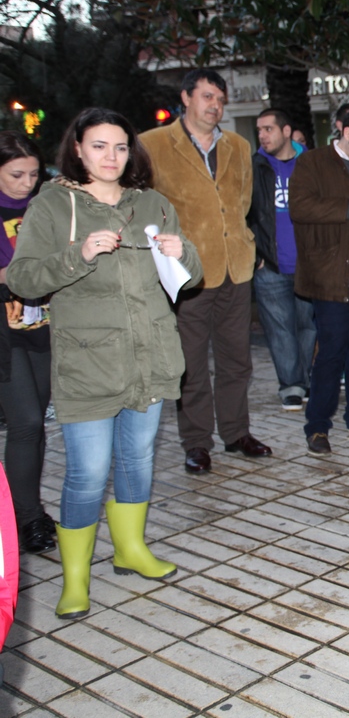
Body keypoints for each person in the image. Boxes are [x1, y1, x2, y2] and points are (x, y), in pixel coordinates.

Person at [8, 108, 202, 619]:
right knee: (88, 473)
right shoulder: (54, 206)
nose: (111, 157)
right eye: (99, 146)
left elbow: (188, 274)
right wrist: (79, 254)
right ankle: (76, 578)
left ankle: (130, 549)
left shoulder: (152, 203)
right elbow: (23, 279)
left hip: (152, 356)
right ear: (77, 148)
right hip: (88, 365)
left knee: (138, 460)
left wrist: (186, 253)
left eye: (119, 146)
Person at [140, 69, 271, 474]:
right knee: (191, 363)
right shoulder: (152, 144)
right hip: (187, 273)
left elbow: (243, 202)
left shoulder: (237, 144)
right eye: (207, 96)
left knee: (237, 361)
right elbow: (144, 205)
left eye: (220, 99)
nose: (215, 105)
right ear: (186, 97)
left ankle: (235, 433)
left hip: (236, 267)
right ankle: (196, 442)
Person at [290, 103, 349, 456]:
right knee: (331, 352)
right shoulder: (312, 163)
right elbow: (300, 208)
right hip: (331, 276)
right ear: (346, 134)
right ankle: (317, 426)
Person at [0, 132, 55, 553]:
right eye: (17, 174)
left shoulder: (44, 208)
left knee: (36, 426)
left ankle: (27, 508)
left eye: (34, 174)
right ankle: (27, 517)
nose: (27, 183)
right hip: (5, 332)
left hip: (44, 325)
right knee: (26, 423)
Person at [248, 108, 315, 411]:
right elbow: (243, 213)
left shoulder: (312, 163)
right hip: (270, 265)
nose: (262, 135)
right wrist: (255, 255)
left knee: (308, 326)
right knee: (280, 329)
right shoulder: (254, 167)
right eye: (259, 130)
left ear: (286, 131)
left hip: (308, 264)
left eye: (268, 129)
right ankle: (291, 384)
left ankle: (306, 380)